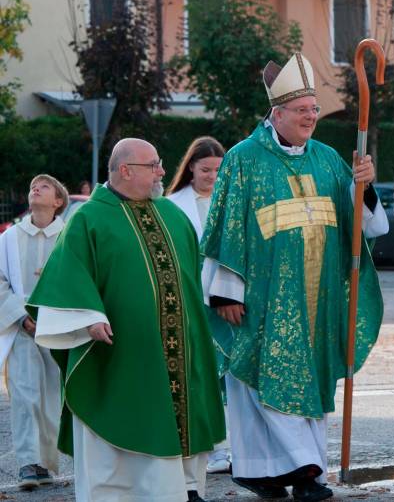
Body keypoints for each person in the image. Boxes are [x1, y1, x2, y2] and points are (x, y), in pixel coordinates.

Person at [201, 52, 388, 502]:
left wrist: (363, 185)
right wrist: (224, 292)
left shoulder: (326, 160)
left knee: (309, 379)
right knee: (262, 381)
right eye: (302, 110)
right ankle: (298, 472)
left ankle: (288, 471)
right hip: (262, 298)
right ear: (277, 113)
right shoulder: (243, 160)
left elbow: (365, 226)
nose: (311, 117)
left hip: (319, 297)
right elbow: (225, 226)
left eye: (314, 110)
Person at [27, 138, 226, 502]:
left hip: (178, 347)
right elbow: (66, 276)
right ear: (125, 170)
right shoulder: (88, 218)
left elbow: (191, 278)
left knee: (179, 414)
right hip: (120, 353)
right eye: (154, 165)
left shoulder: (171, 214)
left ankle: (183, 487)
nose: (162, 172)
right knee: (126, 430)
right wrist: (88, 316)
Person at [166, 136, 232, 474]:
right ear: (190, 167)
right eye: (205, 169)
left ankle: (227, 447)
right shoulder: (173, 204)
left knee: (226, 377)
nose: (211, 176)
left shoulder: (233, 200)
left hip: (227, 301)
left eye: (218, 170)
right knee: (198, 376)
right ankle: (204, 447)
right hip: (191, 299)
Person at [0, 174, 68, 490]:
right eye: (31, 186)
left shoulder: (68, 237)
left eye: (44, 186)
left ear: (58, 201)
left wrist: (56, 316)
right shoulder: (9, 238)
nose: (35, 188)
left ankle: (46, 461)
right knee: (25, 393)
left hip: (57, 326)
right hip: (21, 325)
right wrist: (22, 315)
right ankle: (28, 461)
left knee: (53, 394)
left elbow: (76, 279)